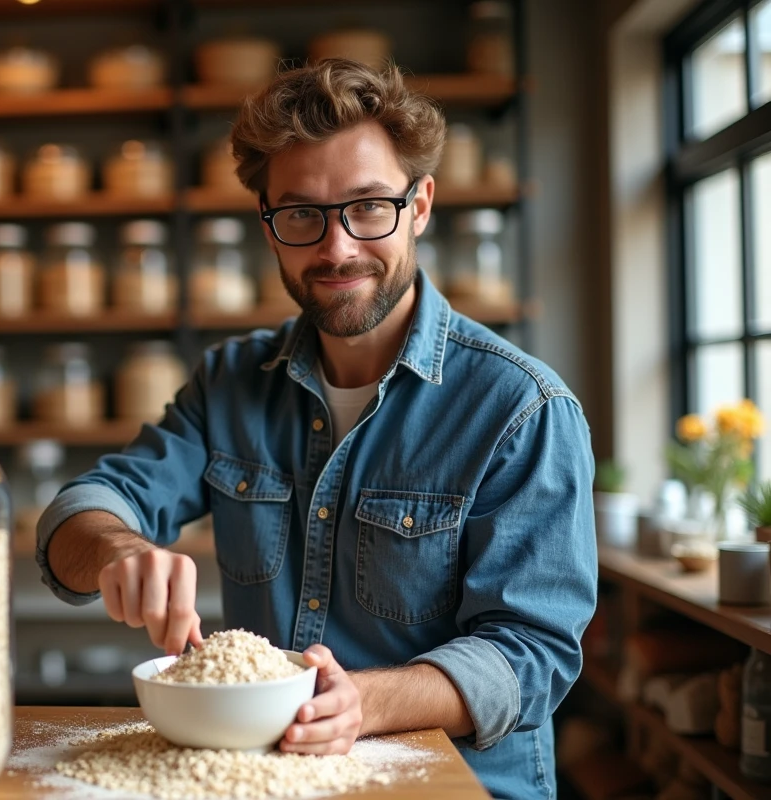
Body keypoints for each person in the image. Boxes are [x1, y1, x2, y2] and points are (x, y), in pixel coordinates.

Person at [36, 58, 596, 800]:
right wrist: (120, 549)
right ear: (266, 221)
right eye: (301, 214)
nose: (335, 249)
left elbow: (531, 655)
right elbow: (81, 510)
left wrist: (364, 703)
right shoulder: (231, 382)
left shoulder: (521, 409)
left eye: (368, 207)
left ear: (420, 204)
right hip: (264, 782)